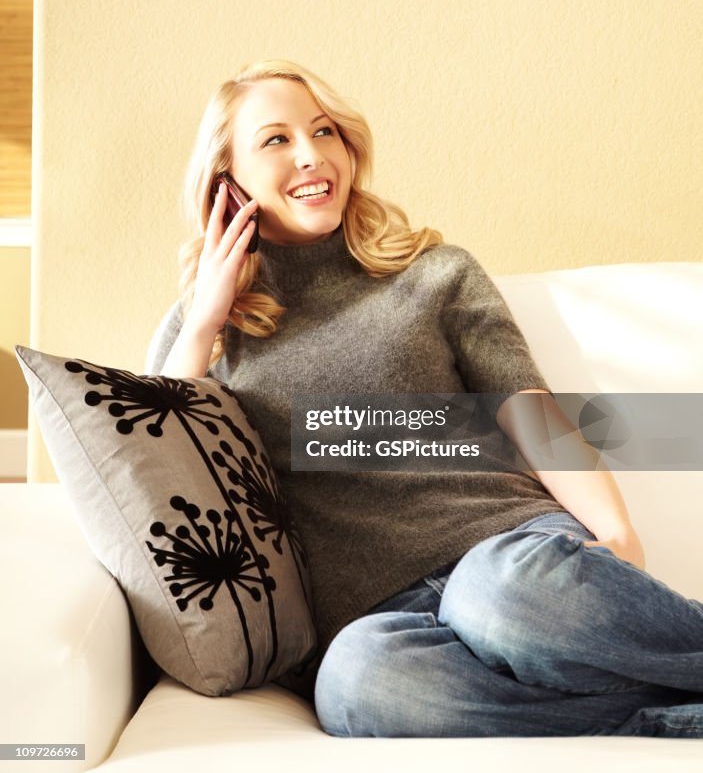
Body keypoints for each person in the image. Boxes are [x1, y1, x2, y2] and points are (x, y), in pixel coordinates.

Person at [147, 59, 703, 738]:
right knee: (355, 683)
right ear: (226, 179)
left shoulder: (433, 273)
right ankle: (664, 719)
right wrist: (205, 318)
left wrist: (616, 534)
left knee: (497, 597)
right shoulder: (204, 334)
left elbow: (526, 410)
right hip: (383, 617)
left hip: (508, 558)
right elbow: (170, 463)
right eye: (276, 140)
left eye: (324, 132)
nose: (311, 154)